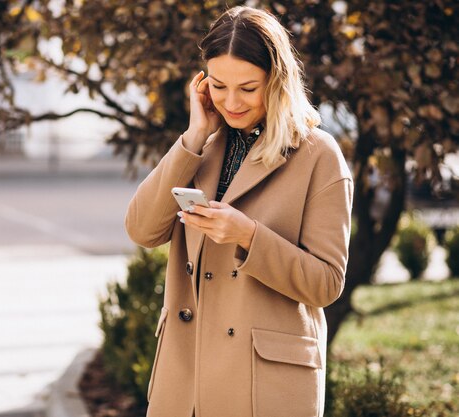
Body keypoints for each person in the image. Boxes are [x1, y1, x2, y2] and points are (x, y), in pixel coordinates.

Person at [125, 6, 353, 417]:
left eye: (248, 88)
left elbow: (327, 283)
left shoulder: (319, 156)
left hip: (265, 387)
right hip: (184, 382)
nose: (230, 102)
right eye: (217, 85)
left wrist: (248, 237)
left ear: (278, 83)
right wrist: (193, 136)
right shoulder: (203, 147)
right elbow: (142, 230)